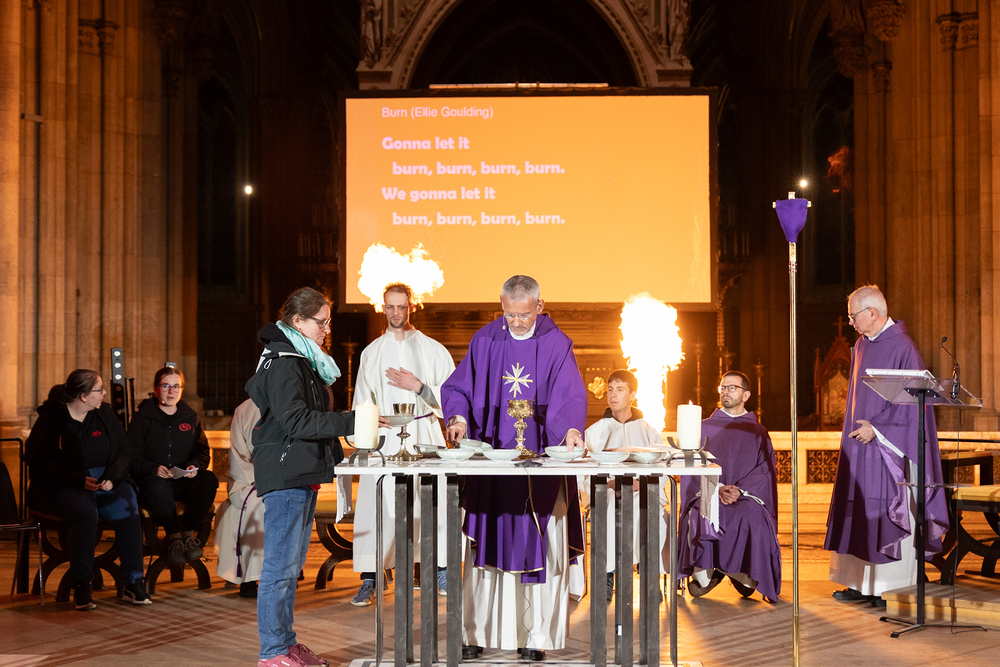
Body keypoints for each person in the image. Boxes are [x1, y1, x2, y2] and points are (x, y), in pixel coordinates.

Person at [442, 275, 587, 662]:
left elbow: (569, 395)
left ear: (540, 306)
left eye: (524, 315)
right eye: (510, 314)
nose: (517, 322)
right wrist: (458, 418)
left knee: (541, 545)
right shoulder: (486, 339)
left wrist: (571, 430)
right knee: (485, 545)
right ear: (501, 305)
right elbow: (459, 387)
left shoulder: (556, 343)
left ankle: (535, 636)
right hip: (493, 465)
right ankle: (474, 632)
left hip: (540, 466)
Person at [245, 286, 387, 667]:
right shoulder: (285, 362)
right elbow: (296, 421)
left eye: (328, 322)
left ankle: (286, 644)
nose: (327, 330)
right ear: (297, 321)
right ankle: (272, 653)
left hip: (299, 470)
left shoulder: (300, 359)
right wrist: (354, 421)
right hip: (286, 472)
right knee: (279, 568)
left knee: (290, 568)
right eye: (321, 322)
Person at [825, 285, 949, 607]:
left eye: (853, 316)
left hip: (890, 449)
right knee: (859, 510)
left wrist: (877, 429)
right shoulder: (860, 345)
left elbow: (914, 403)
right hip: (859, 446)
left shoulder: (903, 347)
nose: (850, 322)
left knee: (883, 511)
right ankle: (858, 584)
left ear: (872, 313)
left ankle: (889, 588)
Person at [348, 282, 456, 606]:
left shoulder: (434, 350)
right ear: (382, 308)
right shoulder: (371, 353)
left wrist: (419, 386)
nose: (395, 312)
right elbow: (362, 401)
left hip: (424, 433)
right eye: (390, 306)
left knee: (434, 502)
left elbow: (454, 397)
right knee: (376, 505)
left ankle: (441, 570)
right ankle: (371, 577)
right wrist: (368, 429)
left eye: (401, 306)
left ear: (411, 307)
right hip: (386, 439)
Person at [25, 369, 151, 610]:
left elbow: (125, 449)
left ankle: (133, 582)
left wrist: (113, 477)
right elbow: (37, 460)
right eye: (99, 390)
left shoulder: (104, 413)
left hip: (108, 480)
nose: (104, 394)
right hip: (67, 484)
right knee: (85, 514)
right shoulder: (51, 418)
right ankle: (82, 584)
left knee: (128, 511)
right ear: (83, 396)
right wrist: (77, 480)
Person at [676, 371, 781, 603]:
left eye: (732, 388)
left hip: (746, 496)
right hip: (709, 491)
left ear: (746, 395)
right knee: (701, 512)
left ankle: (739, 574)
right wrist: (718, 488)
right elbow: (693, 465)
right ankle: (711, 577)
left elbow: (765, 470)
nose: (725, 391)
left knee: (752, 515)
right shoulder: (702, 428)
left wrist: (740, 490)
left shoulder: (758, 432)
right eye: (723, 387)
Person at [582, 369, 666, 602]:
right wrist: (606, 483)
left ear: (633, 395)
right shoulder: (594, 432)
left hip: (641, 490)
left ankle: (649, 576)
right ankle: (607, 574)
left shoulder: (649, 432)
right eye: (610, 389)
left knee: (651, 510)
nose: (613, 394)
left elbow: (662, 467)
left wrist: (643, 483)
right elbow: (584, 470)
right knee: (610, 506)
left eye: (620, 389)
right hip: (608, 492)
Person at [129, 366, 220, 566]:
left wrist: (193, 466)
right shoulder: (142, 418)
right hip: (154, 481)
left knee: (208, 479)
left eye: (176, 386)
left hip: (182, 481)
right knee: (156, 487)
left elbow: (202, 451)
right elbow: (132, 457)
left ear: (182, 389)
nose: (171, 391)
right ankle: (174, 537)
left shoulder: (190, 417)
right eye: (166, 386)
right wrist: (154, 469)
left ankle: (188, 534)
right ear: (156, 388)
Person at [215, 398, 264, 598]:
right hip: (247, 480)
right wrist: (259, 479)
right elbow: (238, 455)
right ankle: (248, 577)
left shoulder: (290, 404)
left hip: (282, 480)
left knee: (276, 503)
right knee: (251, 505)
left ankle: (282, 572)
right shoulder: (244, 410)